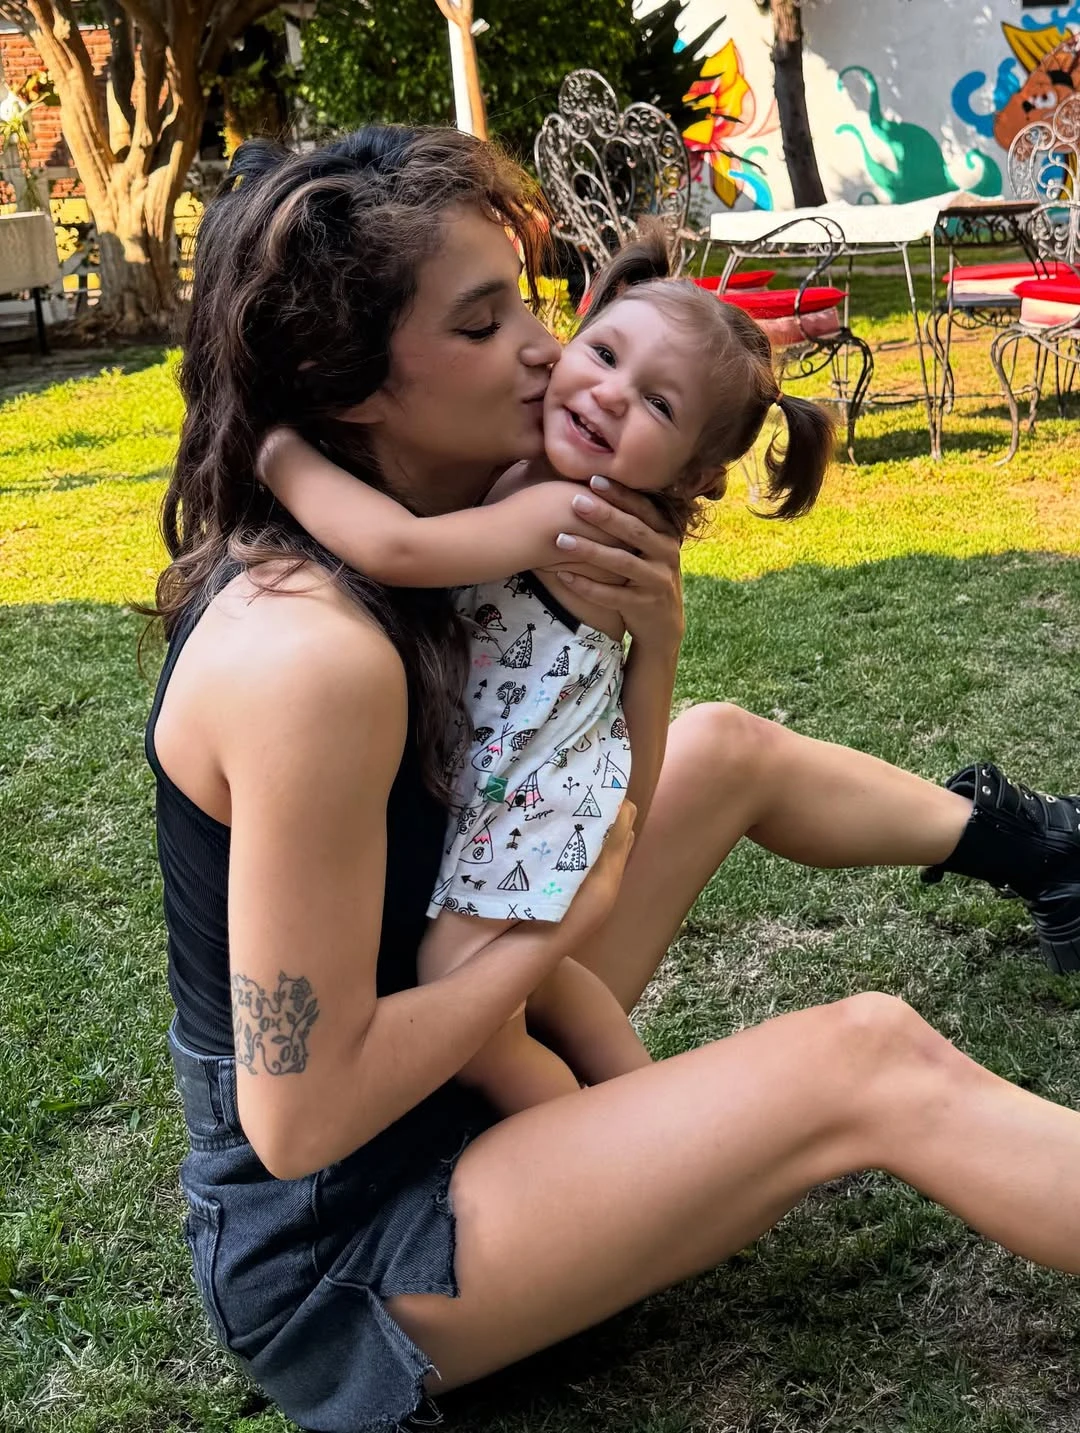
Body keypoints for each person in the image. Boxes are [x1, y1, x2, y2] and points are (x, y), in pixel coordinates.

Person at [148, 124, 1080, 1433]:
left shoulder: (458, 527)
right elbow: (302, 1120)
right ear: (344, 382)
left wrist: (659, 645)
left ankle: (1052, 852)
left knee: (722, 743)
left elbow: (602, 797)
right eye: (482, 325)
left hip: (454, 1069)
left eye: (533, 303)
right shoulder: (311, 655)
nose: (545, 349)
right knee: (868, 1056)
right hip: (354, 1250)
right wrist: (549, 942)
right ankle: (631, 1130)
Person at [256, 226, 836, 1116]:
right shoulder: (542, 477)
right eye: (603, 353)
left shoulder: (570, 511)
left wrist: (278, 455)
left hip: (534, 801)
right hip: (548, 784)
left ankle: (586, 1132)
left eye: (658, 405)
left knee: (465, 996)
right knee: (552, 982)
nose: (608, 394)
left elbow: (399, 547)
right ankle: (651, 1103)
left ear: (696, 473)